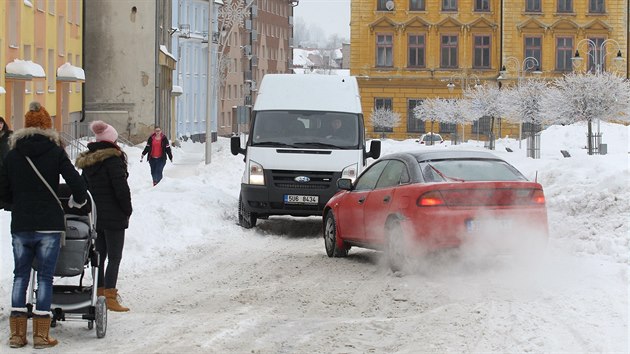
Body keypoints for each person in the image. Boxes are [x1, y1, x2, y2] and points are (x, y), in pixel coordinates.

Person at [0, 101, 87, 349]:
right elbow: (78, 186)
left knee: (20, 275)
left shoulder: (13, 153)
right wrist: (77, 200)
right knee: (45, 278)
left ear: (25, 126)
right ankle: (40, 336)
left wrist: (12, 204)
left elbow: (3, 189)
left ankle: (17, 335)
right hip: (49, 224)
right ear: (48, 127)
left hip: (22, 224)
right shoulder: (55, 151)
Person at [75, 121, 132, 312]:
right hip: (115, 215)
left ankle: (99, 293)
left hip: (96, 216)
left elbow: (84, 188)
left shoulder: (89, 161)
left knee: (100, 256)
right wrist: (127, 209)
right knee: (115, 256)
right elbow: (121, 189)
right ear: (112, 140)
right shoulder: (114, 159)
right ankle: (110, 297)